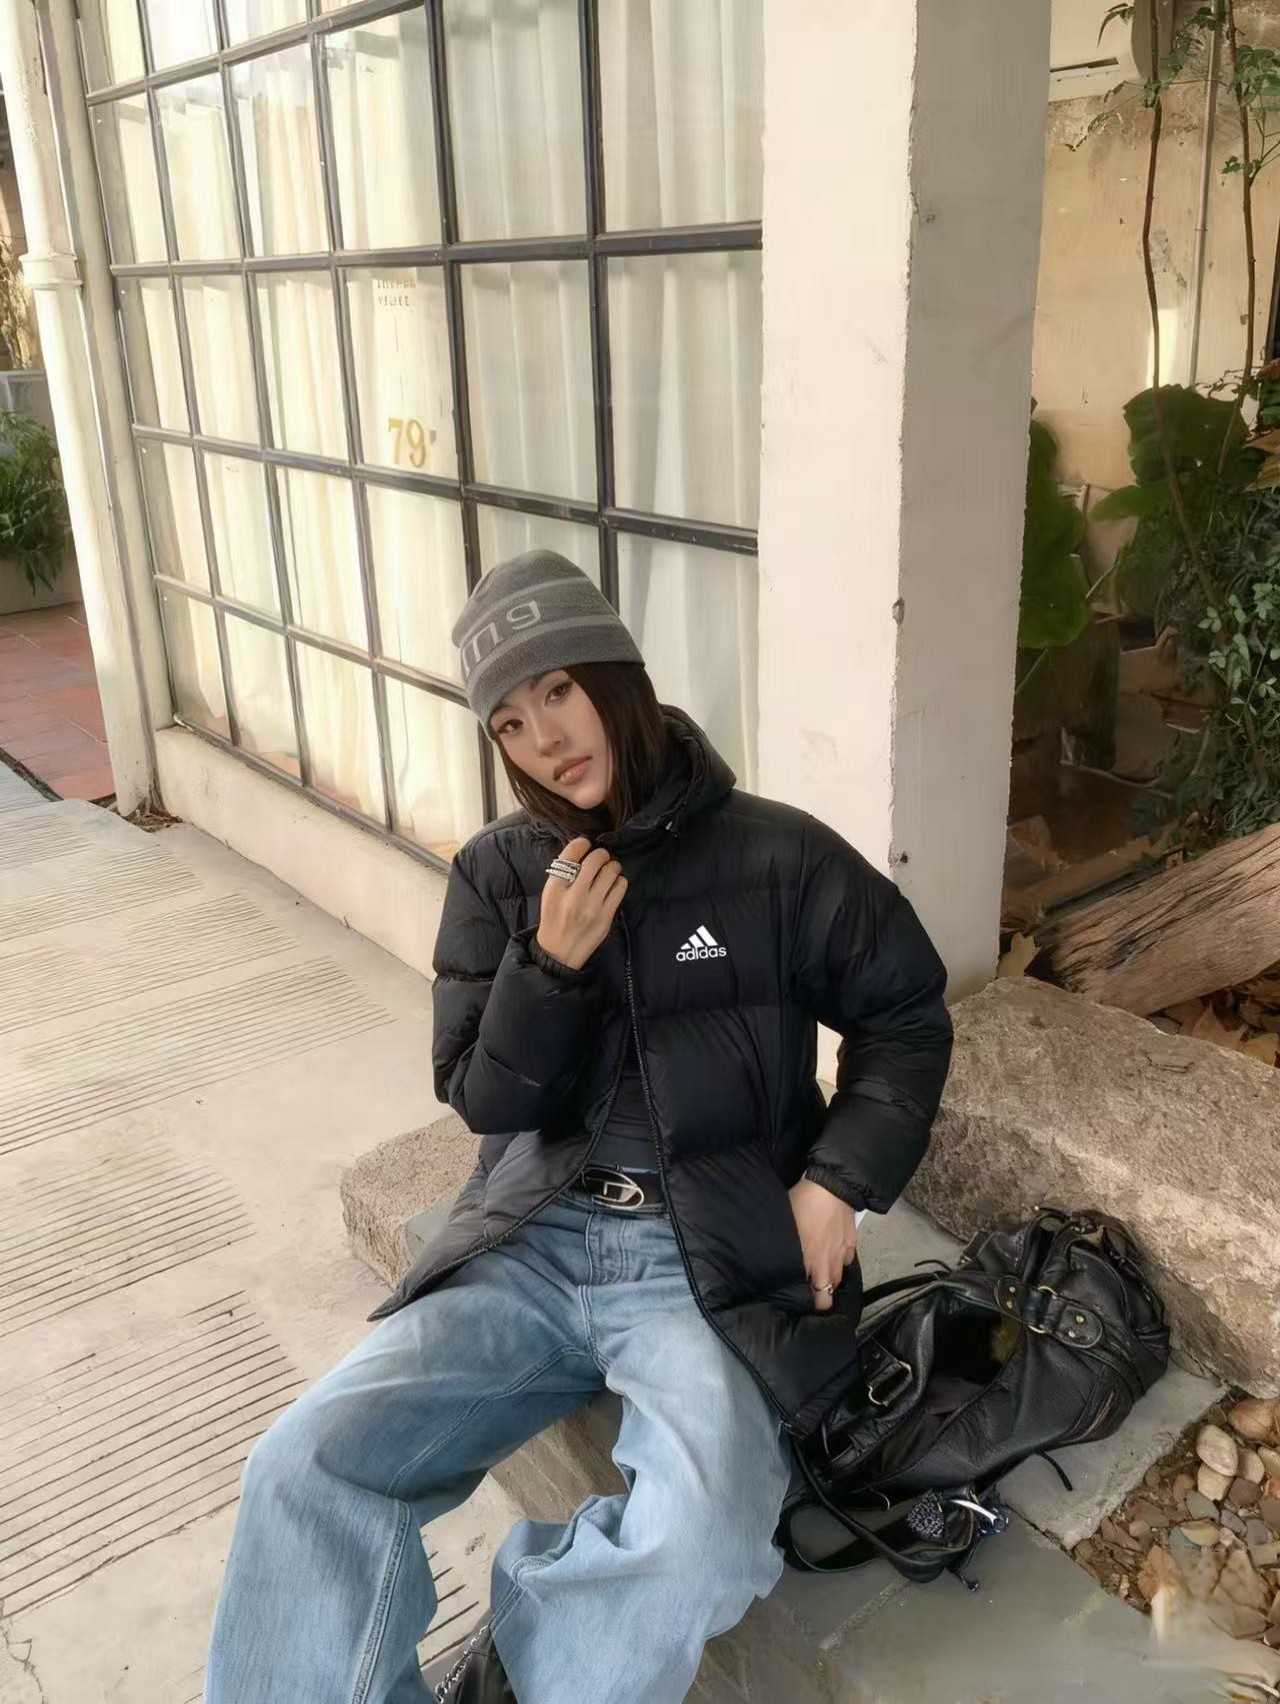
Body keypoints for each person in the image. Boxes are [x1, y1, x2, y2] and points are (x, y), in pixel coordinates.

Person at [203, 550, 953, 1704]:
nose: (545, 738)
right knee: (302, 1467)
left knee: (703, 1534)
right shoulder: (500, 874)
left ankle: (522, 1668)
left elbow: (904, 1011)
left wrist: (834, 1183)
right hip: (532, 1244)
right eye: (509, 722)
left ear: (615, 677)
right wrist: (547, 967)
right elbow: (483, 1097)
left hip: (701, 1259)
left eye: (558, 690)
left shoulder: (776, 854)